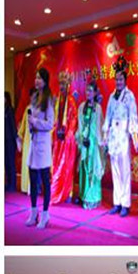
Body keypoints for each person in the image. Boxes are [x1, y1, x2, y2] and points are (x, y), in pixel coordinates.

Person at [102, 56, 138, 217]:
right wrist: (105, 136)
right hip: (113, 136)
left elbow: (133, 117)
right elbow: (108, 117)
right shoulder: (112, 97)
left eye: (121, 79)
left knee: (124, 171)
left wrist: (135, 138)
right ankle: (117, 202)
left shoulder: (129, 96)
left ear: (125, 80)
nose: (118, 82)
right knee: (115, 170)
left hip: (123, 135)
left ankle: (125, 204)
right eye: (116, 79)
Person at [25, 68, 55, 229]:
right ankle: (33, 212)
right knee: (32, 178)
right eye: (35, 77)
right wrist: (30, 124)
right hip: (34, 142)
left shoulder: (48, 99)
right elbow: (32, 119)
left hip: (43, 144)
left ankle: (45, 214)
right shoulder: (35, 97)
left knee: (44, 181)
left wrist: (35, 122)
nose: (36, 80)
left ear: (45, 81)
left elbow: (50, 124)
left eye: (39, 78)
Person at [50, 70, 79, 204]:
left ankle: (67, 193)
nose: (61, 86)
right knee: (56, 165)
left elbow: (74, 119)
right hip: (58, 139)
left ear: (68, 85)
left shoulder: (71, 101)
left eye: (64, 84)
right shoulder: (58, 99)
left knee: (66, 166)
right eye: (60, 83)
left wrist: (68, 134)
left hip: (67, 140)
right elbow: (54, 118)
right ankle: (56, 191)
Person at [76, 80, 104, 209]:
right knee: (84, 168)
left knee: (93, 168)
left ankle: (93, 198)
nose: (88, 93)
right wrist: (82, 138)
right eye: (87, 90)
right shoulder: (82, 106)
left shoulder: (98, 108)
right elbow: (80, 124)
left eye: (91, 91)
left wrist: (98, 142)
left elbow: (100, 126)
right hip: (84, 142)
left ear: (95, 93)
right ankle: (83, 196)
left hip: (94, 143)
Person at [17, 87, 38, 195]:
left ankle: (35, 188)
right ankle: (26, 187)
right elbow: (23, 125)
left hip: (37, 141)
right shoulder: (28, 109)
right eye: (32, 96)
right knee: (26, 164)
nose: (34, 99)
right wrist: (20, 136)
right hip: (27, 141)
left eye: (36, 97)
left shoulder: (40, 110)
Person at [5, 92, 18, 191]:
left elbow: (13, 126)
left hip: (10, 140)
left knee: (11, 162)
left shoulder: (10, 110)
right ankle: (8, 182)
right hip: (4, 140)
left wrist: (16, 139)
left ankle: (12, 184)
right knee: (6, 162)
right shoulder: (3, 110)